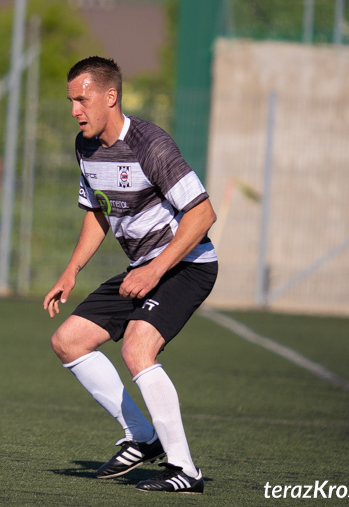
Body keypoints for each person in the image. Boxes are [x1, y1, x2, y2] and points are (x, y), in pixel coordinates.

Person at [43, 56, 218, 494]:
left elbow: (202, 215)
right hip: (143, 269)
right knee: (68, 341)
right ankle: (142, 435)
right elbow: (98, 213)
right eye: (70, 101)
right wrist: (71, 270)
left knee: (139, 346)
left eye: (81, 100)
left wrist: (156, 269)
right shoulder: (84, 147)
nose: (74, 111)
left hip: (187, 266)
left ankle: (186, 471)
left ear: (110, 96)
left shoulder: (150, 144)